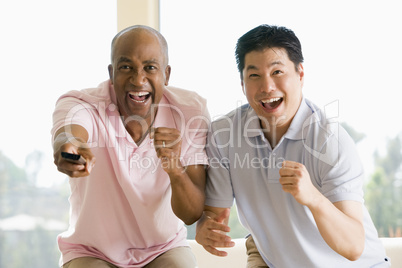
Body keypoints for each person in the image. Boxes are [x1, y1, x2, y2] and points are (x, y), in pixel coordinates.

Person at [195, 24, 390, 268]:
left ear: (300, 74)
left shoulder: (329, 140)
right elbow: (214, 215)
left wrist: (313, 198)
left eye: (277, 72)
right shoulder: (224, 134)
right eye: (254, 75)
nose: (267, 87)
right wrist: (204, 228)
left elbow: (353, 247)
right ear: (242, 83)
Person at [52, 25, 210, 268]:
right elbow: (70, 134)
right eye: (126, 67)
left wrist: (175, 168)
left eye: (150, 67)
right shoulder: (83, 103)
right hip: (92, 251)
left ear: (166, 74)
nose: (138, 79)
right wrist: (72, 150)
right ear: (111, 72)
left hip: (163, 249)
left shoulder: (190, 111)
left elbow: (191, 213)